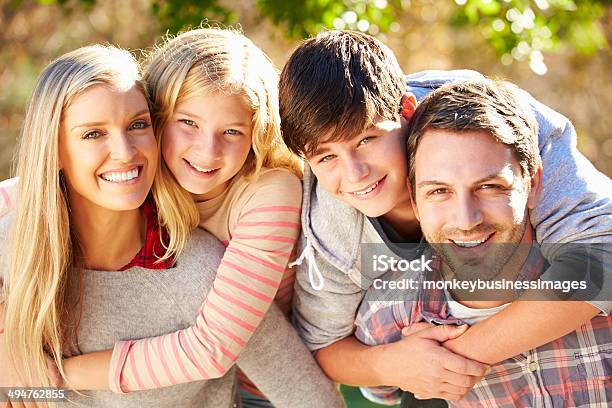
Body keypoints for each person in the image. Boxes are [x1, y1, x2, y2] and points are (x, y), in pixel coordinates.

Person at [0, 43, 342, 408]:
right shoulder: (15, 246)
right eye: (93, 134)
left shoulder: (203, 272)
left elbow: (296, 390)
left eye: (137, 125)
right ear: (51, 149)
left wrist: (52, 375)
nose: (125, 151)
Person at [279, 30, 611, 403]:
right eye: (326, 157)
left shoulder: (499, 124)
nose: (356, 173)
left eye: (366, 140)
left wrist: (455, 359)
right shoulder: (332, 230)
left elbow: (602, 258)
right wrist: (392, 365)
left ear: (405, 110)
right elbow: (323, 346)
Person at [354, 78, 611, 407]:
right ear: (415, 201)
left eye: (489, 187)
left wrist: (452, 357)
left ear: (533, 184)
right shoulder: (390, 315)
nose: (466, 220)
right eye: (439, 191)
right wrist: (387, 364)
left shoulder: (595, 270)